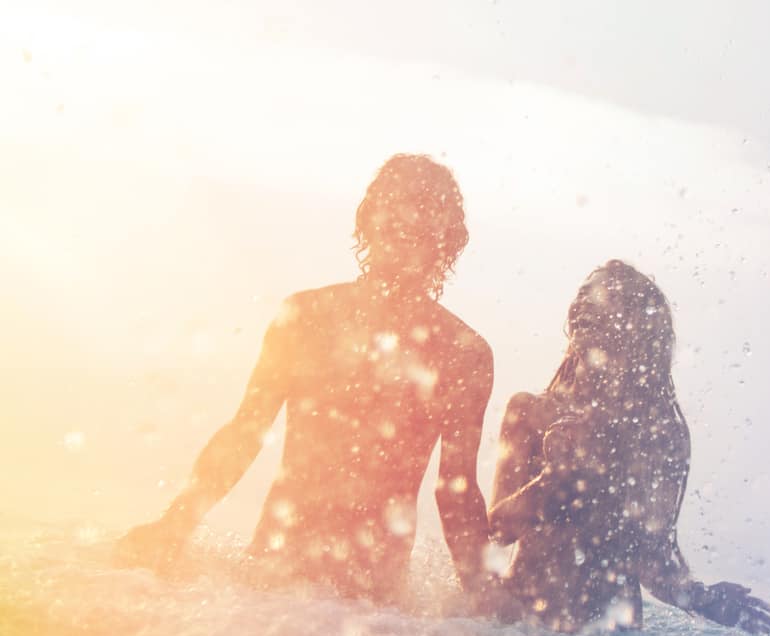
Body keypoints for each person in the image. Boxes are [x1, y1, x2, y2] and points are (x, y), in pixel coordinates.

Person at [116, 154, 496, 606]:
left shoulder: (462, 353)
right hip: (279, 579)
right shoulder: (306, 316)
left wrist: (482, 600)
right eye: (395, 218)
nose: (404, 233)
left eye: (418, 225)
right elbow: (246, 432)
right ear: (368, 223)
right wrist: (174, 525)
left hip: (370, 601)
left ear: (445, 243)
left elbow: (456, 492)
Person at [488, 260, 770, 633]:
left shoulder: (660, 434)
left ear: (636, 329)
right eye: (582, 295)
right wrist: (554, 480)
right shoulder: (530, 412)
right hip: (524, 624)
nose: (584, 305)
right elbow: (497, 530)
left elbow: (655, 556)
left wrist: (702, 597)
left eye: (603, 299)